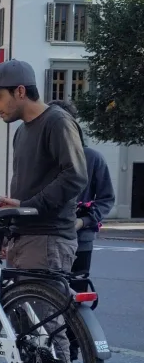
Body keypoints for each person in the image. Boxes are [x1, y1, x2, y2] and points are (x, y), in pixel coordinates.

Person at [0, 60, 87, 363]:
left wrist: (29, 207)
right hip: (26, 234)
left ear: (20, 91)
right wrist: (14, 217)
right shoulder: (23, 130)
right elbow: (27, 185)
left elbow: (75, 177)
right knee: (23, 319)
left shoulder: (56, 122)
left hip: (51, 236)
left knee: (47, 319)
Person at [48, 99, 115, 276]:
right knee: (43, 295)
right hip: (44, 239)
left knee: (77, 294)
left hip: (80, 239)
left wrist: (83, 221)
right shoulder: (43, 157)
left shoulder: (92, 158)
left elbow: (106, 198)